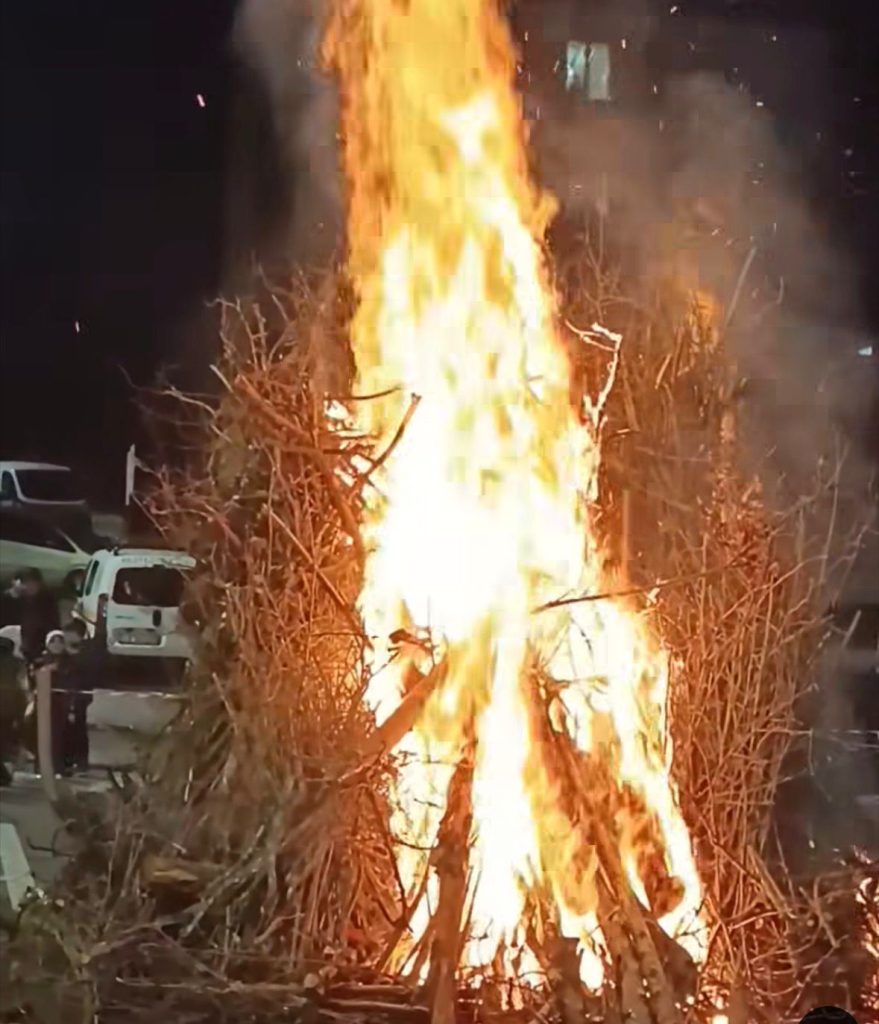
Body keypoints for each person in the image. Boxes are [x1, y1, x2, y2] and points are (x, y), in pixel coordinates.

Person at [56, 619, 96, 772]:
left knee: (78, 727)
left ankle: (80, 760)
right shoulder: (63, 654)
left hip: (79, 696)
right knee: (64, 728)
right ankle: (67, 759)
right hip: (63, 695)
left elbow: (87, 676)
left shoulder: (85, 654)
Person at [18, 568, 60, 670]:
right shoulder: (20, 600)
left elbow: (53, 625)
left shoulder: (48, 601)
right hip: (22, 645)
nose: (29, 587)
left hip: (41, 646)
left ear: (39, 584)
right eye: (26, 583)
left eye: (32, 583)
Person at [0, 636, 25, 786]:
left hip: (8, 708)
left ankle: (4, 776)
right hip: (10, 709)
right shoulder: (18, 663)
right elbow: (23, 685)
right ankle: (4, 775)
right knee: (5, 742)